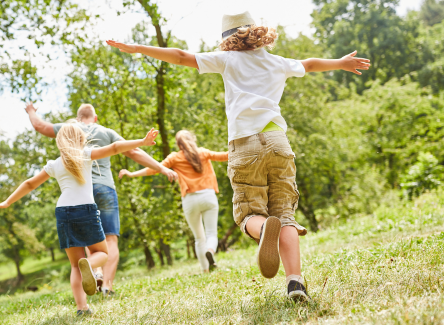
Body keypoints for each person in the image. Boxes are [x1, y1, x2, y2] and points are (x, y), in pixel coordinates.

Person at [106, 11, 370, 301]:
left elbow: (181, 56)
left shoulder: (227, 60)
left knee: (247, 213)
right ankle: (295, 282)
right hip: (278, 141)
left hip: (245, 144)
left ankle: (262, 229)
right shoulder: (276, 61)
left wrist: (139, 48)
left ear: (227, 40)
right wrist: (341, 63)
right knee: (285, 215)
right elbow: (308, 64)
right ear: (257, 32)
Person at [0, 124, 160, 315]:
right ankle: (90, 264)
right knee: (102, 253)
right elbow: (114, 148)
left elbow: (30, 184)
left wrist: (7, 201)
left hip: (63, 212)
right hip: (85, 209)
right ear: (80, 140)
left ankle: (82, 308)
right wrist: (142, 142)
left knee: (74, 265)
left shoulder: (54, 164)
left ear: (59, 142)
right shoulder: (86, 154)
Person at [24, 102, 177, 296]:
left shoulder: (69, 129)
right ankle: (107, 286)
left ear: (78, 118)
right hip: (105, 188)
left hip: (79, 193)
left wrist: (31, 111)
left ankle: (95, 272)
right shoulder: (106, 131)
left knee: (90, 239)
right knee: (110, 239)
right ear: (95, 118)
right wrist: (161, 168)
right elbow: (132, 151)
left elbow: (40, 126)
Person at [118, 130, 228, 273]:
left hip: (190, 200)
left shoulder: (175, 157)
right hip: (208, 196)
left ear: (178, 144)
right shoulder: (203, 153)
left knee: (199, 237)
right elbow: (225, 156)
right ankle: (210, 251)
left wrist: (132, 174)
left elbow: (155, 168)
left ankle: (205, 270)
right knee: (211, 234)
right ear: (192, 139)